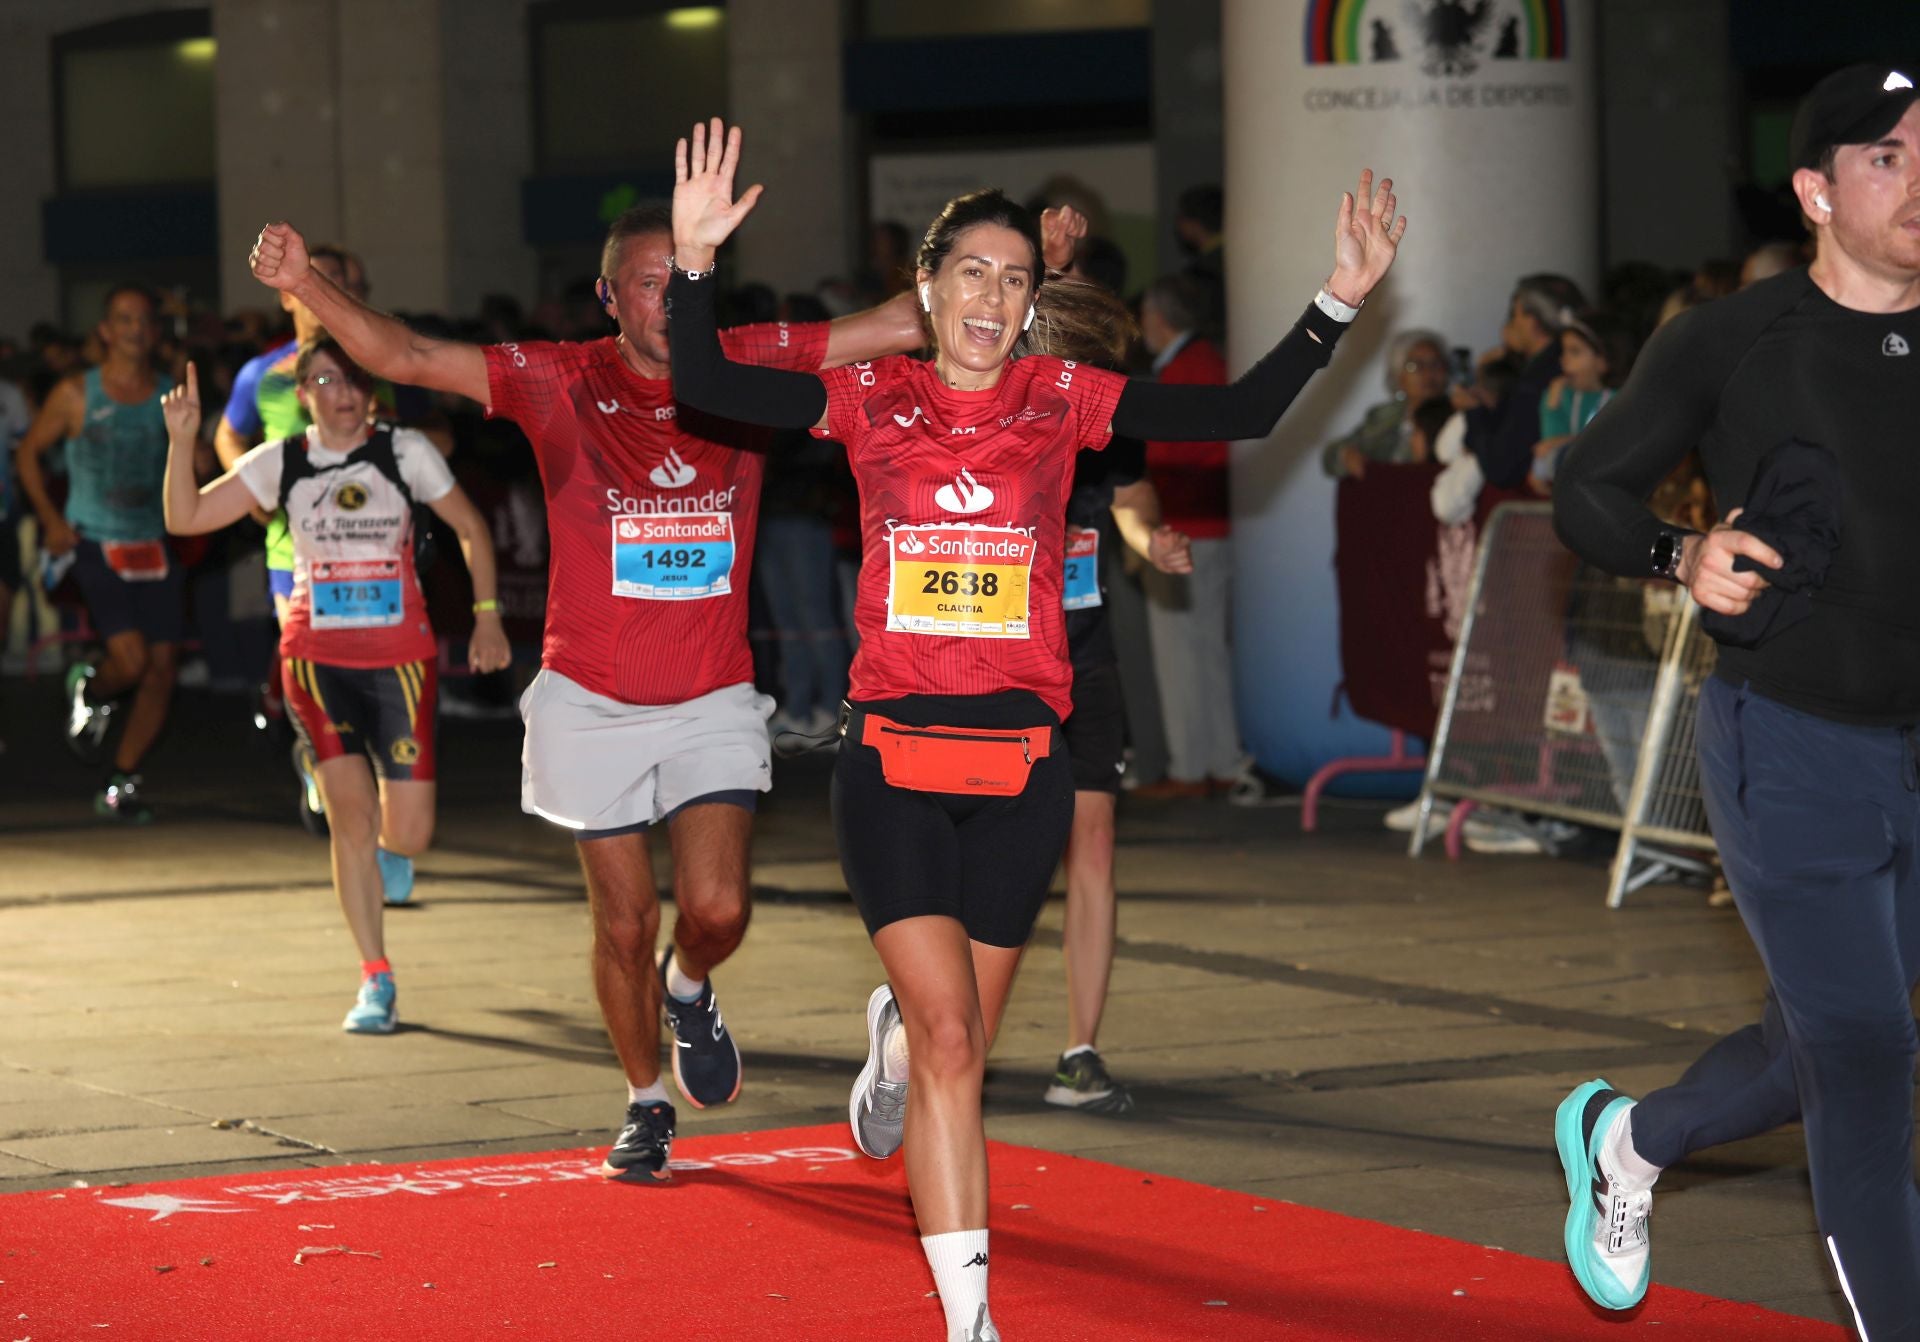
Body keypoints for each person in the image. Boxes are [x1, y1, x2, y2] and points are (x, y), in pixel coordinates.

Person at [666, 118, 1404, 1342]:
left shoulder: (1070, 398)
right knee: (959, 1041)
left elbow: (1238, 412)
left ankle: (895, 1043)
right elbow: (706, 387)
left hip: (1024, 771)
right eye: (972, 273)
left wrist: (1336, 300)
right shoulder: (868, 398)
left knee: (958, 1044)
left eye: (1016, 280)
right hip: (894, 757)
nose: (993, 298)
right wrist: (693, 270)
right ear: (927, 286)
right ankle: (971, 1320)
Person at [246, 200, 923, 1178]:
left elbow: (902, 321)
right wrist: (306, 284)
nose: (661, 301)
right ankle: (647, 1101)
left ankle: (689, 987)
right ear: (609, 298)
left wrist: (1019, 265)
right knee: (622, 919)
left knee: (718, 905)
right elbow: (405, 354)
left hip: (710, 694)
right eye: (641, 284)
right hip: (590, 697)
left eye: (676, 279)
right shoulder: (560, 378)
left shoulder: (752, 360)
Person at [1551, 64, 1920, 1339]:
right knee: (1869, 1061)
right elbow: (1585, 486)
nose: (1917, 176)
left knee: (1809, 1048)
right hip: (1792, 744)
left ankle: (1628, 1141)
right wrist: (1678, 556)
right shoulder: (1731, 336)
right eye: (1886, 155)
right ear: (1817, 191)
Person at [161, 342, 508, 1030]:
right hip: (315, 661)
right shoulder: (282, 459)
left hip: (399, 661)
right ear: (303, 392)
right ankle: (375, 978)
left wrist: (488, 616)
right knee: (350, 821)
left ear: (371, 388)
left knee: (406, 833)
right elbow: (186, 518)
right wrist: (182, 443)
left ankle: (382, 844)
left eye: (354, 378)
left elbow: (470, 528)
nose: (343, 391)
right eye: (326, 379)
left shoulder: (404, 452)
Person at [14, 286, 180, 822]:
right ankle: (93, 685)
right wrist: (51, 519)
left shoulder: (166, 393)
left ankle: (121, 782)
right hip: (96, 541)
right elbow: (27, 455)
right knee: (130, 662)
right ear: (105, 331)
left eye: (143, 319)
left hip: (154, 541)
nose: (134, 328)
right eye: (123, 319)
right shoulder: (75, 393)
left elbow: (191, 460)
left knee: (160, 670)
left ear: (154, 332)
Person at [1132, 274, 1246, 800]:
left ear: (1158, 318)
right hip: (1217, 527)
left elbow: (1160, 456)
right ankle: (1221, 761)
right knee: (1209, 653)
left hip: (1180, 527)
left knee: (1179, 654)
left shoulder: (1178, 373)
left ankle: (1188, 768)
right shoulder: (1212, 363)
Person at [1457, 273, 1587, 490]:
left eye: (1514, 315)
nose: (1510, 324)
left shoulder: (1537, 379)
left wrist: (1475, 411)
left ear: (1533, 322)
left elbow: (1501, 467)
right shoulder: (1552, 367)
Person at [1527, 307, 1635, 494]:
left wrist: (1565, 442)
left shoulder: (1622, 400)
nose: (1564, 360)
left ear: (1604, 360)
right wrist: (1552, 407)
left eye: (1574, 352)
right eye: (1563, 352)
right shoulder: (1558, 395)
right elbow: (1549, 456)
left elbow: (1609, 448)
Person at [1320, 328, 1450, 479]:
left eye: (1436, 364)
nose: (1429, 373)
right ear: (1399, 376)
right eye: (1416, 365)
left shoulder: (1457, 414)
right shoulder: (1384, 416)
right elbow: (1331, 457)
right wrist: (1346, 455)